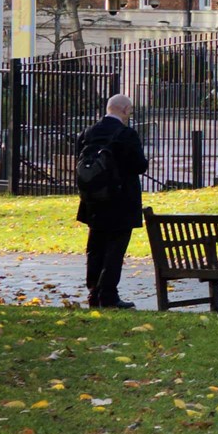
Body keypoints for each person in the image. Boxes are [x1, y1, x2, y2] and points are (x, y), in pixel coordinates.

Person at [73, 98, 150, 310]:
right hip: (121, 200)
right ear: (125, 110)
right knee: (115, 249)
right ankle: (108, 295)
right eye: (130, 111)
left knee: (95, 248)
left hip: (93, 200)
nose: (130, 115)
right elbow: (139, 166)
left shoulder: (88, 133)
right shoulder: (126, 135)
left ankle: (93, 294)